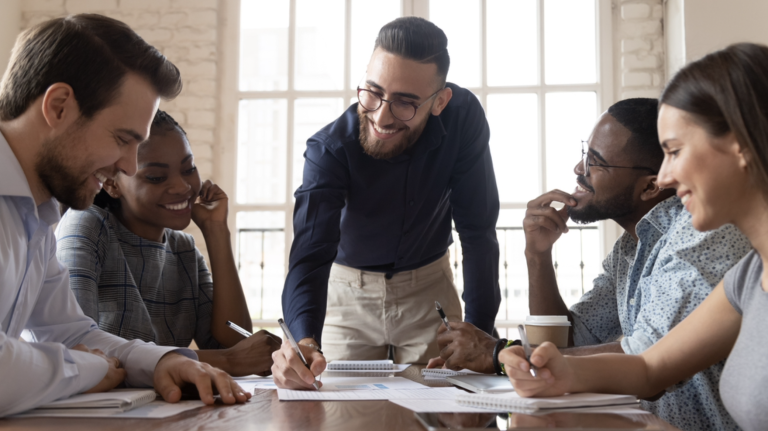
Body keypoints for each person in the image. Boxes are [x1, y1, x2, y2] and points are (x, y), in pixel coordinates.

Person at [431, 98, 751, 430]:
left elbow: (646, 360)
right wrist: (538, 256)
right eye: (586, 152)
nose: (578, 169)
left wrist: (497, 353)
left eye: (595, 161)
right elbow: (565, 344)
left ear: (651, 185)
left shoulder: (700, 234)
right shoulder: (629, 248)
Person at [501, 43, 768, 431]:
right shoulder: (747, 278)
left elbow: (644, 356)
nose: (665, 178)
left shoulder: (707, 241)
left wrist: (502, 355)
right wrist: (560, 370)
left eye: (674, 151)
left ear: (739, 146)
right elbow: (649, 366)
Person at [0, 14, 249, 417]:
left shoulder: (38, 215)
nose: (129, 167)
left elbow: (71, 332)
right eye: (122, 139)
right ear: (59, 107)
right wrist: (87, 367)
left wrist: (164, 361)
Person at [272, 17, 500, 389]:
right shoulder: (328, 149)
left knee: (449, 410)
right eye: (373, 92)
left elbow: (477, 231)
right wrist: (304, 341)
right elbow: (311, 255)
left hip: (430, 290)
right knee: (335, 413)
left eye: (405, 103)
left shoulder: (464, 118)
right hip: (346, 296)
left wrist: (478, 332)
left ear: (440, 101)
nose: (381, 115)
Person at [55, 110, 281, 377]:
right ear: (112, 184)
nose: (182, 187)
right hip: (103, 415)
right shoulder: (86, 227)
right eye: (156, 177)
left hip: (166, 411)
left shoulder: (183, 250)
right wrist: (226, 361)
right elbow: (78, 351)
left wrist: (216, 231)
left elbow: (235, 342)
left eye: (189, 169)